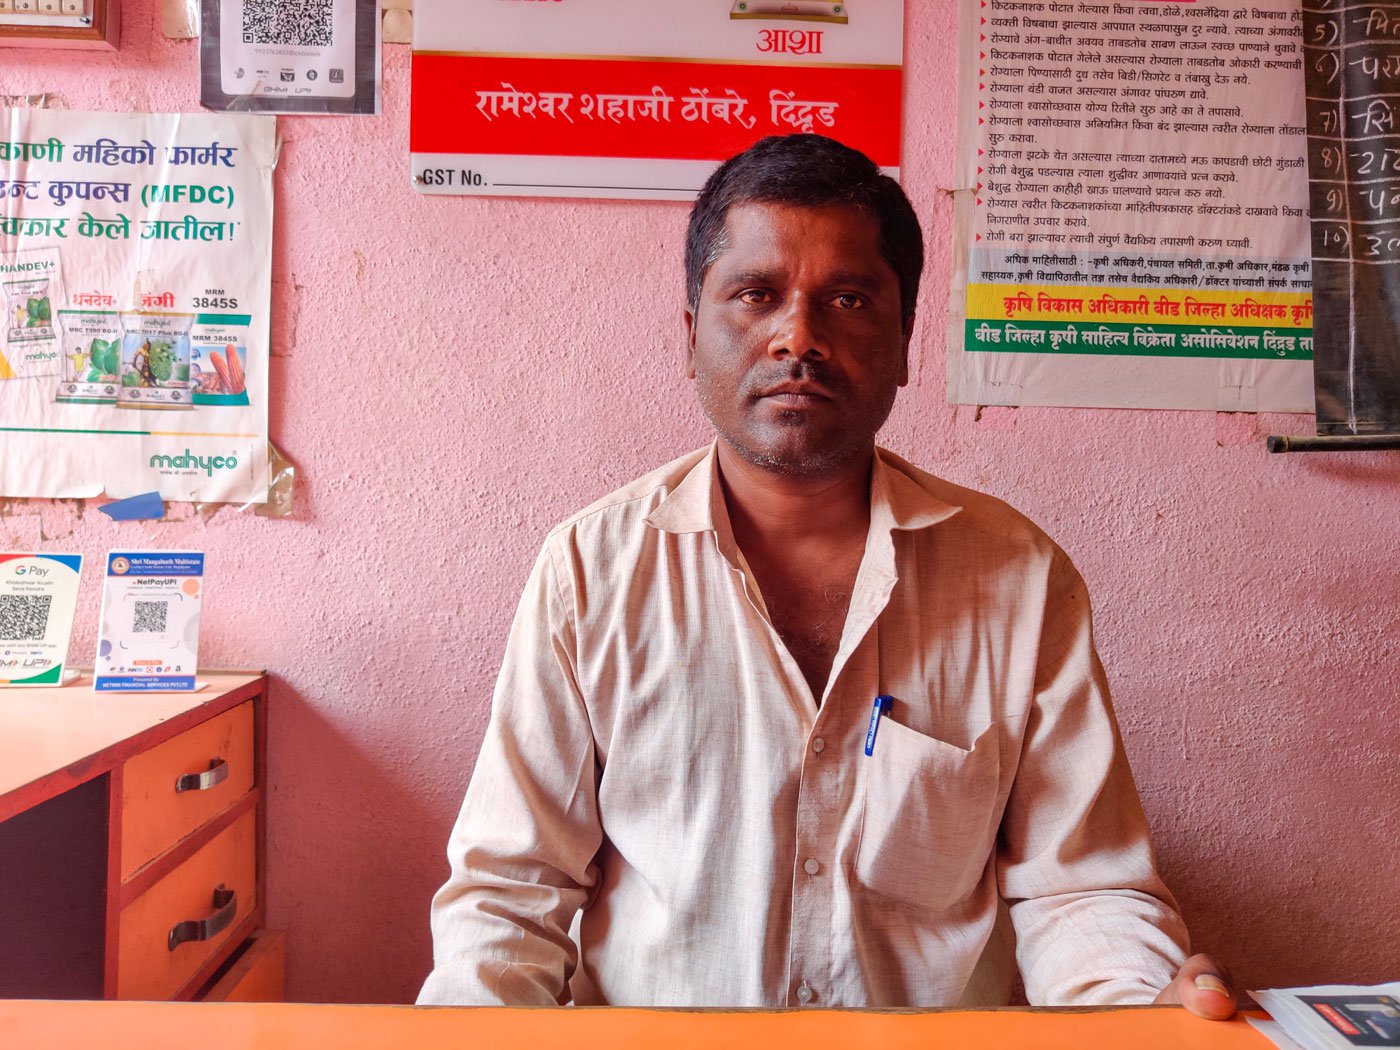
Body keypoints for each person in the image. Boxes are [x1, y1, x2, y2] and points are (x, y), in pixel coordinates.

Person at [419, 134, 1236, 1016]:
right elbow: (511, 892)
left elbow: (1079, 886)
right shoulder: (591, 572)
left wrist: (1139, 1013)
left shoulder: (1018, 579)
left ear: (907, 342)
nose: (797, 337)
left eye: (847, 299)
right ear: (692, 339)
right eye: (755, 295)